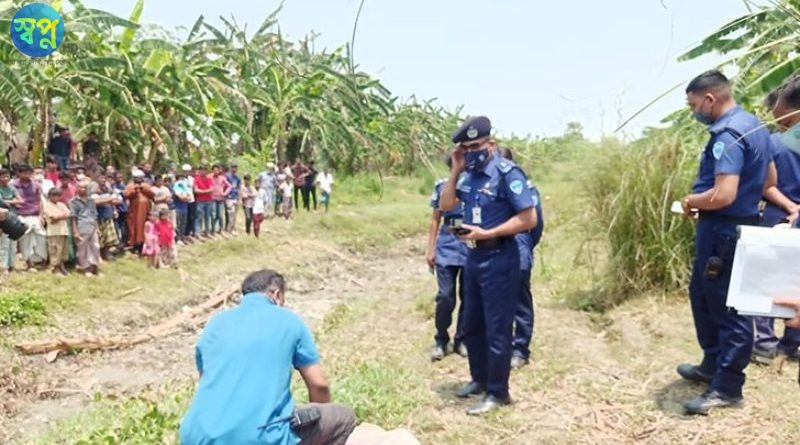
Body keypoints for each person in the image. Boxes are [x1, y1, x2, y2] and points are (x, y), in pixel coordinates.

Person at [677, 70, 770, 415]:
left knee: (727, 307)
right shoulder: (754, 125)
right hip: (736, 227)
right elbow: (768, 178)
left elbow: (723, 194)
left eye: (694, 105)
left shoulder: (727, 134)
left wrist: (691, 200)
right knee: (702, 294)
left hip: (723, 231)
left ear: (710, 99)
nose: (694, 111)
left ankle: (728, 387)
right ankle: (712, 365)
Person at [179, 269, 356, 445]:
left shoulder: (215, 324)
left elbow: (207, 383)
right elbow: (319, 384)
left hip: (196, 435)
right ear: (276, 295)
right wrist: (318, 413)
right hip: (257, 437)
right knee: (344, 418)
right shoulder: (288, 320)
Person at [439, 116, 538, 415]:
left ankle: (498, 392)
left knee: (497, 327)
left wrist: (490, 233)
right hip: (473, 256)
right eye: (466, 148)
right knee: (472, 324)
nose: (471, 151)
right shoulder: (467, 175)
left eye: (476, 145)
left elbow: (529, 218)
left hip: (500, 257)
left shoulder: (507, 174)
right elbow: (446, 206)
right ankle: (479, 379)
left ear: (491, 144)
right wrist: (455, 171)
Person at [753, 80, 800, 364]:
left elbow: (764, 184)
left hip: (776, 216)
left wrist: (789, 206)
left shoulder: (771, 142)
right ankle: (791, 343)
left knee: (765, 281)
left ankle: (763, 343)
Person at [497, 147, 545, 370]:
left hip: (518, 249)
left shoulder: (525, 188)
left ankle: (521, 349)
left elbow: (536, 224)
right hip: (492, 251)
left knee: (520, 303)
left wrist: (526, 245)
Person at [426, 156, 468, 361]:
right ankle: (441, 338)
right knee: (445, 295)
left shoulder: (475, 184)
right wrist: (430, 248)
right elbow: (435, 220)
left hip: (471, 244)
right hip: (447, 245)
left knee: (468, 296)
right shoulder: (442, 186)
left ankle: (462, 339)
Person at [12, 164, 48, 270]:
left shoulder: (35, 184)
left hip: (35, 214)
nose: (27, 175)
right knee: (25, 238)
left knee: (41, 236)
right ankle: (28, 262)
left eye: (29, 173)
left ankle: (41, 260)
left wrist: (42, 215)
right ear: (19, 173)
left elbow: (40, 200)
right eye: (24, 173)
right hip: (21, 214)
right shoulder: (13, 185)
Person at [71, 180, 102, 277]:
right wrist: (75, 231)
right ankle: (86, 268)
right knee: (83, 248)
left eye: (85, 187)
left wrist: (97, 228)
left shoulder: (91, 201)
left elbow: (95, 215)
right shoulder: (73, 202)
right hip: (81, 226)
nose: (83, 189)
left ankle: (95, 267)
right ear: (77, 188)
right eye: (81, 187)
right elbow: (73, 217)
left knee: (95, 247)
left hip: (92, 225)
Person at [123, 170, 155, 253]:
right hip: (134, 211)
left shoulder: (146, 185)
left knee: (145, 227)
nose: (139, 179)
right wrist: (134, 190)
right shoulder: (130, 185)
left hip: (145, 211)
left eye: (141, 177)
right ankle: (135, 245)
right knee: (134, 228)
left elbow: (152, 195)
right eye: (137, 178)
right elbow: (125, 196)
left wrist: (144, 189)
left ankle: (144, 245)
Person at [43, 188, 70, 275]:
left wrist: (58, 217)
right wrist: (62, 216)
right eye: (53, 195)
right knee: (55, 251)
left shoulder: (61, 204)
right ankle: (55, 269)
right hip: (53, 232)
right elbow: (52, 217)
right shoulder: (47, 205)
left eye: (58, 195)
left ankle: (62, 267)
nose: (56, 197)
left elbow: (69, 214)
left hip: (63, 230)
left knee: (62, 250)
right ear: (49, 196)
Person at [0, 168, 22, 273]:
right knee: (4, 243)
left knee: (13, 242)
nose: (5, 178)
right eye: (2, 176)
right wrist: (13, 201)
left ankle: (12, 265)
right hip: (2, 218)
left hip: (12, 216)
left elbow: (21, 200)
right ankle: (4, 266)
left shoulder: (12, 188)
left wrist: (7, 201)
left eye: (7, 176)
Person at [193, 165, 214, 238]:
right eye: (201, 170)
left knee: (207, 217)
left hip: (208, 200)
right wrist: (206, 191)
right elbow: (196, 190)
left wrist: (202, 191)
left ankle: (207, 232)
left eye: (205, 170)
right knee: (199, 217)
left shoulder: (209, 179)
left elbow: (211, 189)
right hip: (200, 201)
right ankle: (197, 233)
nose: (203, 171)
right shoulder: (196, 178)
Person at [210, 165, 231, 236]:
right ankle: (212, 230)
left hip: (221, 199)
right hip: (212, 199)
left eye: (217, 170)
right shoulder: (209, 177)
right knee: (213, 215)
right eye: (214, 170)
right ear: (212, 170)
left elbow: (229, 186)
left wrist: (225, 193)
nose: (216, 172)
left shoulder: (222, 178)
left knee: (220, 215)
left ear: (219, 171)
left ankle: (221, 229)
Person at [226, 164, 241, 234]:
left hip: (235, 197)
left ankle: (233, 227)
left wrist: (239, 198)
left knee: (235, 214)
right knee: (230, 213)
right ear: (230, 168)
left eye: (235, 167)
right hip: (229, 197)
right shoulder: (227, 176)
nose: (234, 169)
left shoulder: (238, 178)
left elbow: (239, 188)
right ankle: (230, 228)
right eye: (233, 167)